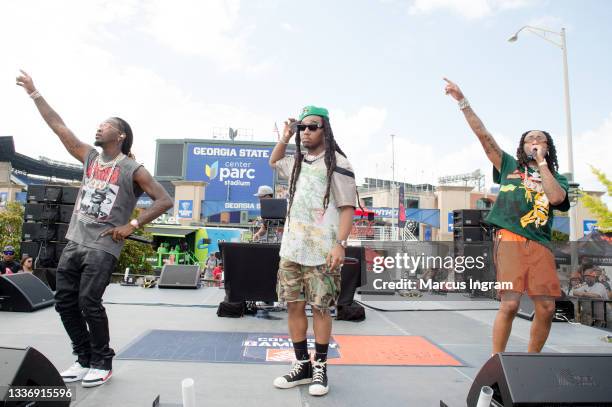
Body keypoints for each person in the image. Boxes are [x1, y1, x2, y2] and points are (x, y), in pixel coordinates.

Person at [17, 70, 173, 387]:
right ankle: (83, 358)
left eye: (106, 125)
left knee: (89, 301)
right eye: (99, 125)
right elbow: (59, 127)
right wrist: (35, 93)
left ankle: (103, 361)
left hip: (103, 246)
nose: (99, 128)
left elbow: (164, 200)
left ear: (121, 136)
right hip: (75, 240)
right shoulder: (89, 157)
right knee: (64, 301)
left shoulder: (133, 168)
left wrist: (132, 224)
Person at [444, 78, 570, 354]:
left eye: (540, 140)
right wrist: (463, 102)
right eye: (529, 139)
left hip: (540, 243)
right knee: (510, 304)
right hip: (510, 238)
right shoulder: (509, 166)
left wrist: (542, 166)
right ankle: (497, 361)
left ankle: (531, 361)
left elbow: (557, 199)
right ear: (521, 146)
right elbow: (484, 137)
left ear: (548, 148)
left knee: (547, 307)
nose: (535, 141)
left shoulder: (556, 176)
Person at [269, 105, 356, 396]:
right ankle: (302, 365)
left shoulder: (337, 163)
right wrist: (285, 135)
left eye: (312, 127)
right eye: (302, 127)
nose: (305, 131)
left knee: (320, 308)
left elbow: (347, 208)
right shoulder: (296, 161)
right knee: (293, 305)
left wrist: (339, 244)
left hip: (323, 249)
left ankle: (320, 367)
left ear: (325, 130)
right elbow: (274, 160)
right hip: (292, 247)